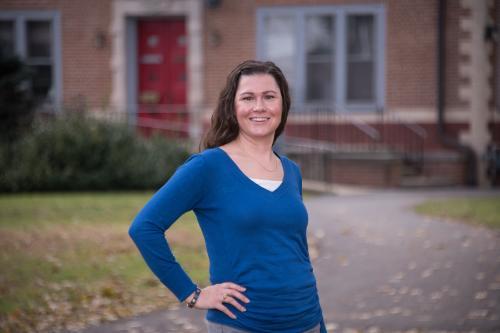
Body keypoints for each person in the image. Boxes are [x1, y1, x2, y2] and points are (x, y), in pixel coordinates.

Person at [128, 60, 327, 333]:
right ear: (233, 107)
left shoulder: (291, 171)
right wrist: (191, 294)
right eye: (248, 97)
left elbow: (298, 254)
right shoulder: (207, 167)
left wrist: (320, 324)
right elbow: (144, 228)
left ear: (283, 105)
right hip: (242, 324)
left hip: (307, 320)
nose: (259, 106)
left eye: (269, 97)